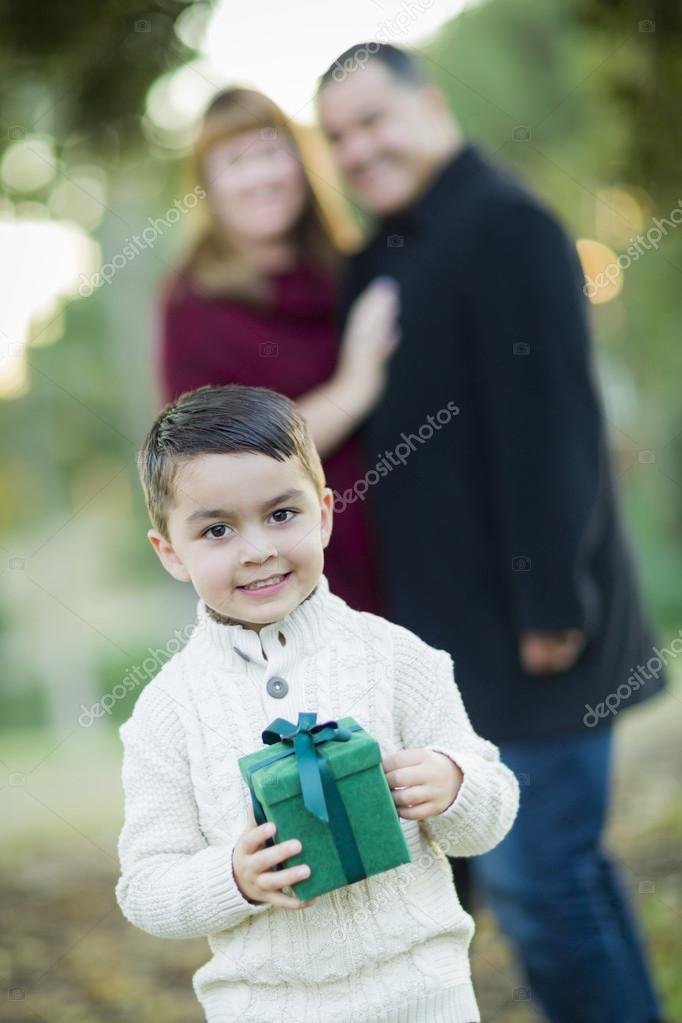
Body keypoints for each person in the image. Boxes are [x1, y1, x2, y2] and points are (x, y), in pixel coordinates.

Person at [317, 42, 666, 1023]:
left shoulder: (505, 226)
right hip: (448, 639)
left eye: (373, 120)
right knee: (565, 881)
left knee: (539, 887)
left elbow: (552, 424)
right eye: (337, 137)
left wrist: (550, 602)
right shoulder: (380, 257)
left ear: (430, 104)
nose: (357, 150)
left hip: (534, 623)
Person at [114, 383, 520, 1023]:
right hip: (267, 1008)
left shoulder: (395, 657)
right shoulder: (167, 713)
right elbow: (144, 887)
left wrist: (454, 782)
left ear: (325, 514)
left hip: (423, 994)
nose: (258, 551)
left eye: (282, 515)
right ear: (171, 553)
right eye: (216, 530)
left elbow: (488, 816)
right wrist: (233, 879)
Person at [158, 86, 400, 615]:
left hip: (410, 546)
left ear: (300, 160)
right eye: (235, 163)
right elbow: (215, 462)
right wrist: (354, 389)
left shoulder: (351, 267)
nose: (260, 176)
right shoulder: (194, 306)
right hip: (297, 574)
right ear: (208, 187)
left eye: (271, 153)